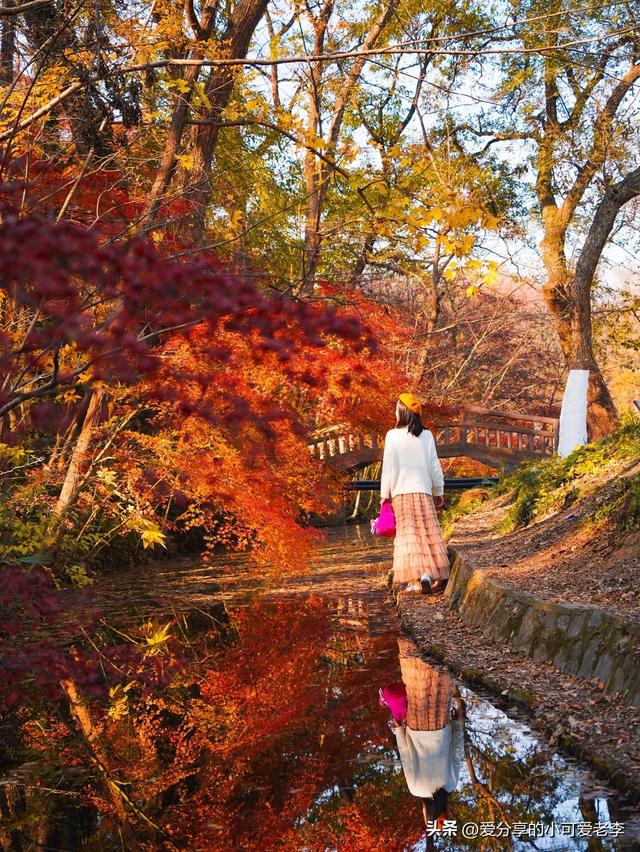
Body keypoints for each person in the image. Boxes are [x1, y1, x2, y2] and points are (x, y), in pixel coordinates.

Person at [380, 638, 465, 830]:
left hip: (440, 725)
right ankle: (412, 647)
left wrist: (458, 723)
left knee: (439, 688)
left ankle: (444, 647)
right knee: (416, 688)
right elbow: (406, 757)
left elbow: (457, 751)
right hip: (416, 728)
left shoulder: (450, 785)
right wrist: (398, 729)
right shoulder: (415, 788)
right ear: (428, 813)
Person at [380, 393, 449, 594]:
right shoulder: (426, 435)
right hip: (423, 491)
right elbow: (435, 466)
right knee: (426, 532)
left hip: (401, 492)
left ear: (401, 412)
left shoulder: (392, 435)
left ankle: (414, 580)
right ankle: (427, 574)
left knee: (409, 535)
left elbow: (389, 468)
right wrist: (439, 490)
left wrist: (385, 494)